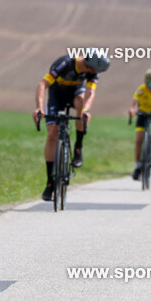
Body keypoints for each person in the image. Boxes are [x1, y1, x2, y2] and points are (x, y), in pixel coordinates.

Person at [33, 51, 110, 201]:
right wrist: (39, 107)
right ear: (88, 65)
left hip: (76, 94)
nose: (94, 74)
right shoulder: (65, 63)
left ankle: (78, 147)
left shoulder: (93, 71)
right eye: (93, 71)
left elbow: (90, 91)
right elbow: (43, 84)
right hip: (57, 96)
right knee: (52, 134)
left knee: (81, 103)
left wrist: (86, 110)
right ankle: (50, 181)